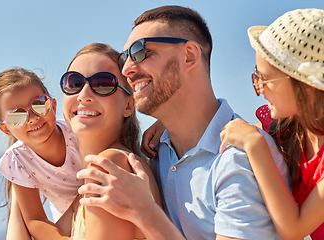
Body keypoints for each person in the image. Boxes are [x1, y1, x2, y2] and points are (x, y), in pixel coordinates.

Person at [75, 5, 289, 240]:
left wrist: (145, 211)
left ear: (189, 55)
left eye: (139, 51)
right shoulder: (159, 149)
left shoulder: (240, 158)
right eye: (124, 58)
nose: (126, 69)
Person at [220, 8, 324, 240]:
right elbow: (235, 131)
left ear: (306, 87)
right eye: (257, 77)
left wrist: (256, 146)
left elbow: (294, 229)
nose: (259, 89)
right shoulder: (288, 126)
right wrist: (165, 127)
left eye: (266, 79)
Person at [60, 43, 162, 240]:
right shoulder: (113, 164)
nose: (84, 95)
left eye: (103, 84)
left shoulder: (108, 167)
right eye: (73, 83)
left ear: (129, 105)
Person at [0, 68, 83, 239]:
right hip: (66, 225)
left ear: (53, 105)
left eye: (39, 104)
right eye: (17, 116)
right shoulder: (16, 160)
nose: (32, 117)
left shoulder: (77, 133)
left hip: (96, 202)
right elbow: (35, 219)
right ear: (6, 129)